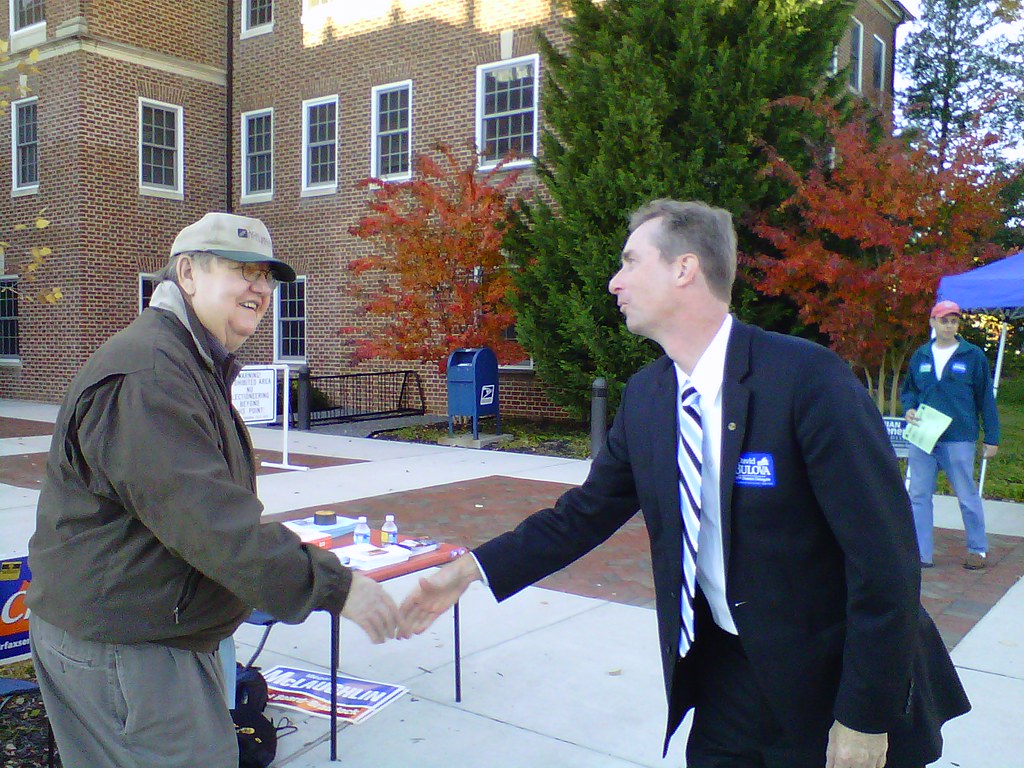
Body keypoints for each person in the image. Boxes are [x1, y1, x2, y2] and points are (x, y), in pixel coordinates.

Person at [399, 200, 969, 768]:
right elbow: (584, 514)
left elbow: (885, 558)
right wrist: (471, 569)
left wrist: (866, 714)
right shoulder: (648, 397)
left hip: (830, 681)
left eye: (629, 262)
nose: (614, 281)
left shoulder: (806, 380)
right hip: (724, 679)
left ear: (684, 268)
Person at [26, 212, 399, 768]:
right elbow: (209, 523)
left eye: (266, 276)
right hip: (127, 646)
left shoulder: (185, 361)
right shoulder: (150, 375)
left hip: (146, 632)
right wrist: (333, 587)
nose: (260, 287)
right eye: (241, 270)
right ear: (187, 274)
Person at [900, 300, 1000, 570]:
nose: (949, 326)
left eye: (954, 321)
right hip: (924, 436)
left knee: (966, 495)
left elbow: (985, 398)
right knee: (919, 495)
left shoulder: (972, 355)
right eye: (943, 320)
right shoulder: (921, 355)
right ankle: (921, 554)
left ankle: (977, 550)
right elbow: (909, 391)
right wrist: (908, 408)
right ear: (932, 322)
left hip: (959, 437)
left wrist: (992, 436)